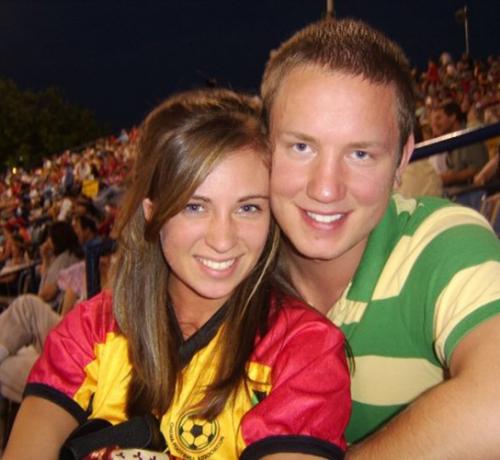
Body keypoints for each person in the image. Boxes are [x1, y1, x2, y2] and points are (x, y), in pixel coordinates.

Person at [4, 89, 350, 460]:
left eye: (248, 207)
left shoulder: (303, 350)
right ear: (153, 213)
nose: (222, 239)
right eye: (195, 206)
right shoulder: (92, 328)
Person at [261, 18, 500, 458]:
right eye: (301, 147)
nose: (326, 188)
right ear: (264, 146)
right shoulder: (234, 267)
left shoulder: (442, 242)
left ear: (402, 159)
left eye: (360, 153)